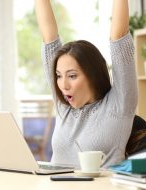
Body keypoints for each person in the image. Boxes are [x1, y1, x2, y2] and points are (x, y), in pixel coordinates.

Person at [35, 0, 138, 169]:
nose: (63, 85)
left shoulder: (120, 103)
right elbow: (48, 37)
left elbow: (119, 38)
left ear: (92, 75)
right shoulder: (64, 105)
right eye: (59, 76)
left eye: (72, 76)